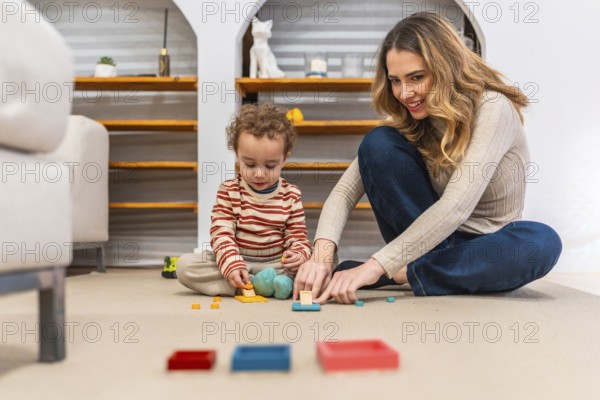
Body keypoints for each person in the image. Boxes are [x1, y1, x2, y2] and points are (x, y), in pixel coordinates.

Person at [293, 12, 562, 304]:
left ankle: (400, 274)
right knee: (377, 142)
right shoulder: (411, 118)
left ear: (446, 67)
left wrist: (376, 266)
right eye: (395, 81)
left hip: (483, 251)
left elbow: (456, 206)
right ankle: (423, 272)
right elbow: (345, 192)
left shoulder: (493, 108)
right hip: (430, 243)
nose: (405, 93)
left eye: (417, 77)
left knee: (542, 242)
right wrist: (320, 257)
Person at [177, 103, 312, 297]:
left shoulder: (291, 194)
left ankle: (265, 284)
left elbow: (297, 236)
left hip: (277, 264)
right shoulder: (229, 190)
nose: (259, 173)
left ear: (284, 158)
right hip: (240, 263)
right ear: (237, 156)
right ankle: (259, 285)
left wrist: (297, 255)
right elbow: (221, 232)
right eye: (249, 164)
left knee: (326, 258)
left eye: (270, 165)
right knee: (185, 266)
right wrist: (231, 263)